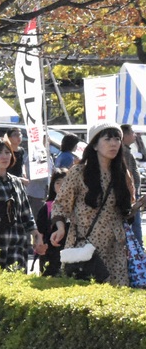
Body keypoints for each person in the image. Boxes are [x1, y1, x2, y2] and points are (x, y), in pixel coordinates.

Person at [50, 122, 135, 286]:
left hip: (115, 248)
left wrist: (137, 206)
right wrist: (60, 227)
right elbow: (60, 204)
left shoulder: (123, 174)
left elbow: (126, 210)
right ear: (95, 145)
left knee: (115, 297)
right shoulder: (79, 172)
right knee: (83, 295)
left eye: (117, 139)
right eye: (108, 139)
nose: (114, 143)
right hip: (85, 246)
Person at [0, 140, 40, 271]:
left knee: (17, 286)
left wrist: (36, 236)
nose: (4, 156)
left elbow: (27, 214)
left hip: (18, 244)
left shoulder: (16, 182)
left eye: (7, 152)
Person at [34, 170, 69, 276]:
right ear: (52, 185)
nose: (61, 186)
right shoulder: (46, 207)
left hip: (72, 252)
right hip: (51, 255)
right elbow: (40, 231)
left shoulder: (78, 206)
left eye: (65, 182)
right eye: (58, 182)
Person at [121, 124, 142, 244]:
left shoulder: (127, 151)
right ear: (125, 135)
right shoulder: (124, 152)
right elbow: (127, 173)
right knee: (135, 225)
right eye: (132, 132)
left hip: (133, 193)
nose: (134, 135)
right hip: (130, 195)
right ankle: (139, 249)